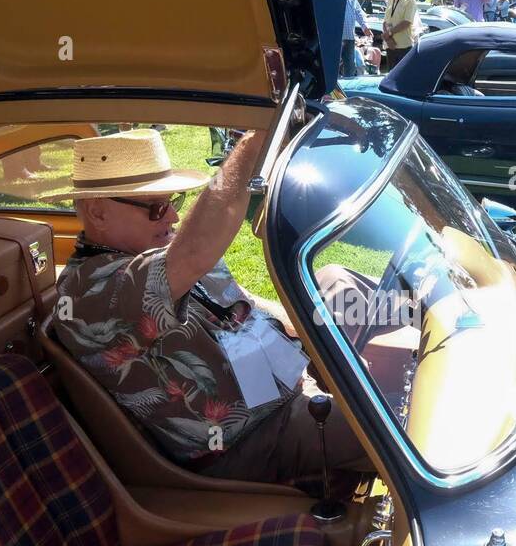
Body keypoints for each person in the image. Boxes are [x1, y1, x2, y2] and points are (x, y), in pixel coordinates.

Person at [53, 129, 371, 484]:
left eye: (173, 201)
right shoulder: (90, 293)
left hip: (279, 390)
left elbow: (244, 305)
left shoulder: (156, 253)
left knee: (338, 282)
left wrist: (319, 338)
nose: (172, 217)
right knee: (399, 428)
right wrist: (254, 141)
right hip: (250, 441)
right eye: (156, 208)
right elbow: (194, 251)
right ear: (98, 212)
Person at [381, 0, 419, 71]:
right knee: (390, 75)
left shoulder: (410, 0)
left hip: (403, 46)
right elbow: (385, 21)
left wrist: (389, 33)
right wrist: (388, 39)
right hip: (390, 45)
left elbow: (407, 22)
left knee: (402, 76)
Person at [341, 0, 368, 79]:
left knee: (350, 67)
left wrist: (365, 27)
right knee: (332, 67)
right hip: (335, 37)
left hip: (349, 37)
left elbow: (357, 10)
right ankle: (331, 91)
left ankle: (347, 90)